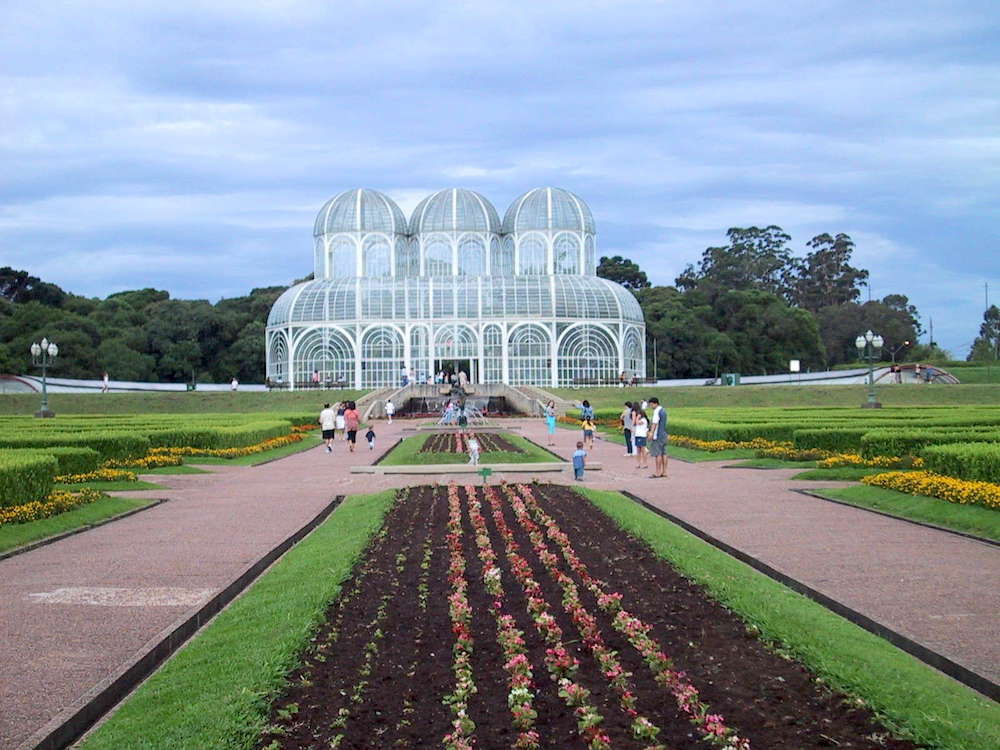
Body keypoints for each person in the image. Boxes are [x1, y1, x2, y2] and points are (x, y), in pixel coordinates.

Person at [649, 396, 668, 478]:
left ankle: (657, 472)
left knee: (658, 454)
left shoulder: (657, 411)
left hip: (658, 435)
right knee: (664, 453)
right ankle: (664, 471)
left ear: (655, 403)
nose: (651, 406)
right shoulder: (664, 410)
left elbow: (654, 423)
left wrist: (651, 433)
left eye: (651, 405)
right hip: (664, 434)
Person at [632, 405, 649, 470]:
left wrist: (637, 418)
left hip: (642, 436)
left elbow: (637, 423)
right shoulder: (641, 419)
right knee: (638, 450)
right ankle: (638, 463)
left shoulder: (644, 420)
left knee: (643, 450)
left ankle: (645, 463)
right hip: (637, 435)